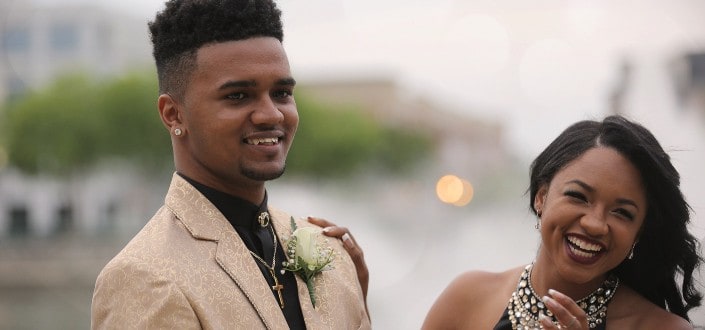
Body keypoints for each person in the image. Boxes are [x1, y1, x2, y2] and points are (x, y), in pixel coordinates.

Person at [91, 0, 370, 329]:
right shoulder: (145, 277)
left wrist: (358, 294)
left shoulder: (331, 252)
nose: (271, 114)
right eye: (238, 96)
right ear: (173, 114)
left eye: (281, 92)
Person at [422, 115, 703, 329]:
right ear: (541, 197)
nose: (595, 224)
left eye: (622, 213)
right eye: (578, 196)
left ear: (638, 232)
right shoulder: (468, 299)